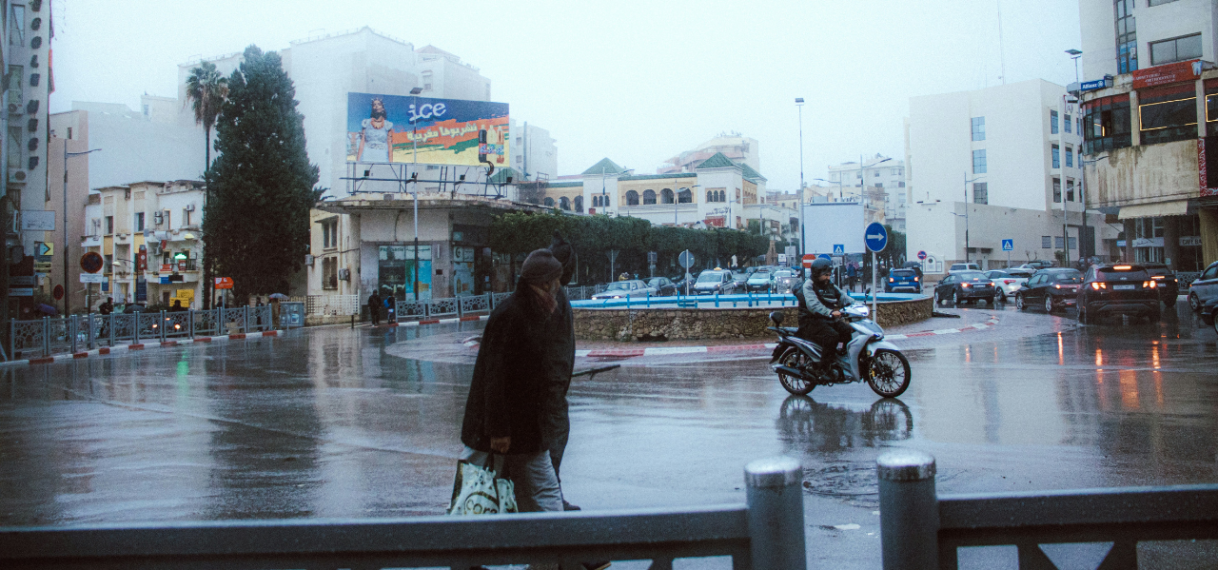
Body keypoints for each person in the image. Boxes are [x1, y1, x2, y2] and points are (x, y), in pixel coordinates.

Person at [460, 249, 567, 513]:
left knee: (541, 491)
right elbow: (494, 377)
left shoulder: (536, 313)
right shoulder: (512, 315)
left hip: (527, 429)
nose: (559, 287)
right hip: (501, 431)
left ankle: (558, 546)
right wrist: (498, 430)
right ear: (544, 282)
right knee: (477, 491)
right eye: (557, 280)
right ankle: (460, 545)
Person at [544, 232, 579, 510]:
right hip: (549, 394)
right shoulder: (553, 301)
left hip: (552, 390)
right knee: (551, 448)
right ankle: (551, 504)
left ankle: (552, 499)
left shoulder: (555, 297)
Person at [798, 258, 857, 375]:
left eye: (829, 275)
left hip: (826, 321)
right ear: (817, 273)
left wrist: (856, 306)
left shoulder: (830, 285)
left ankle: (840, 359)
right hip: (810, 321)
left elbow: (843, 297)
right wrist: (829, 312)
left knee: (847, 331)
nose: (828, 278)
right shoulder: (809, 286)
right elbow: (813, 305)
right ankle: (823, 368)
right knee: (832, 336)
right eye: (825, 275)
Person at [357, 97, 394, 163]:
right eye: (374, 105)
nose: (376, 106)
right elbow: (362, 142)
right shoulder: (366, 123)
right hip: (367, 155)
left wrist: (391, 162)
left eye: (379, 104)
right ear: (372, 108)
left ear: (382, 108)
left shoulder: (388, 125)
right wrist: (358, 160)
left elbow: (389, 145)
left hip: (382, 156)